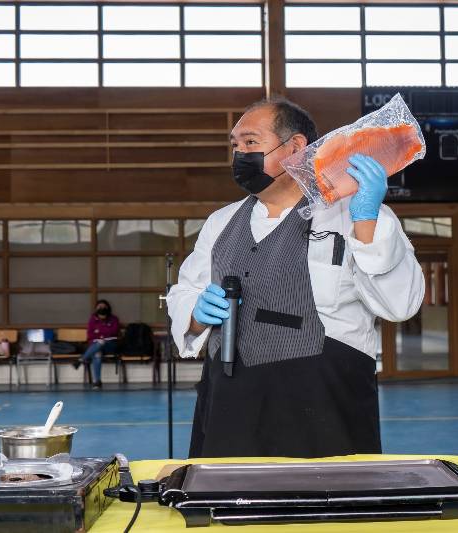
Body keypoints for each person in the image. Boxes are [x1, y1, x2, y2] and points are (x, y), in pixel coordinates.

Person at [167, 97, 425, 458]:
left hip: (324, 403)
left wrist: (367, 222)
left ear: (295, 146)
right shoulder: (221, 222)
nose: (240, 154)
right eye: (235, 146)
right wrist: (195, 312)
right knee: (230, 498)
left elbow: (400, 305)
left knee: (323, 506)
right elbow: (185, 291)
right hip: (230, 402)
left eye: (252, 142)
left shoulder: (353, 213)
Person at [74, 300, 119, 389]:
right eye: (99, 307)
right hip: (95, 345)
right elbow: (90, 335)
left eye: (103, 306)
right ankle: (97, 381)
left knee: (100, 342)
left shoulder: (114, 319)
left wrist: (99, 332)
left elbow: (114, 332)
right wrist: (103, 334)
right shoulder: (92, 319)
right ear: (96, 309)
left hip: (110, 345)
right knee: (97, 353)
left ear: (108, 307)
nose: (102, 308)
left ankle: (81, 359)